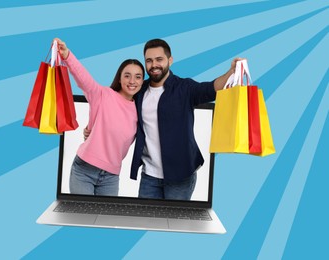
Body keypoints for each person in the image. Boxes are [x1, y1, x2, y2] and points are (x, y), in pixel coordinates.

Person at [85, 38, 244, 200]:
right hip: (149, 176)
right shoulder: (139, 90)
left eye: (159, 59)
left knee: (174, 223)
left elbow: (211, 88)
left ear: (170, 60)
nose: (154, 65)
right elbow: (115, 105)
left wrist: (230, 72)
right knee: (145, 222)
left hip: (181, 176)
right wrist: (93, 126)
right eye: (149, 60)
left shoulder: (185, 88)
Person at [54, 38, 144, 196]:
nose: (132, 81)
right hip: (84, 170)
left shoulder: (139, 110)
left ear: (143, 81)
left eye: (138, 77)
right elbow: (84, 80)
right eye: (127, 76)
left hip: (111, 176)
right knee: (82, 218)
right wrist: (67, 55)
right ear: (120, 78)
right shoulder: (103, 95)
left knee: (107, 220)